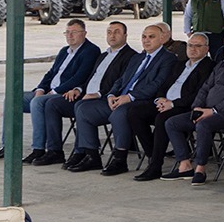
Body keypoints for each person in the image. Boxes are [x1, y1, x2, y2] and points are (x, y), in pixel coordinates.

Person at [70, 23, 180, 173]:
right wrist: (111, 95)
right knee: (83, 108)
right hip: (121, 98)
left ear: (162, 39)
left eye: (151, 37)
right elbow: (121, 80)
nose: (146, 40)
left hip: (141, 101)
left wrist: (130, 97)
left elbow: (157, 84)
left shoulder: (168, 59)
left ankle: (120, 159)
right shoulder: (137, 57)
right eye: (144, 37)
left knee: (120, 113)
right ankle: (92, 156)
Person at [149, 33, 224, 184]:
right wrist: (197, 108)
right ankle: (185, 165)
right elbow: (205, 88)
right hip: (206, 110)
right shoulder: (221, 65)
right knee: (172, 123)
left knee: (203, 124)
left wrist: (213, 111)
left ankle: (200, 169)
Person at [107, 31, 211, 175]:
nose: (193, 49)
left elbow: (198, 94)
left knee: (162, 118)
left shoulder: (209, 67)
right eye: (190, 45)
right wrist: (160, 99)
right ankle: (153, 154)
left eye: (198, 46)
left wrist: (172, 104)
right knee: (135, 113)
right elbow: (164, 85)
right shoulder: (180, 64)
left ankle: (156, 166)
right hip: (165, 103)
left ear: (206, 49)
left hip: (184, 106)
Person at [32, 20, 132, 167]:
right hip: (85, 95)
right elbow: (90, 78)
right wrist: (78, 89)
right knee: (52, 104)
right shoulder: (104, 55)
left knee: (81, 107)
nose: (112, 36)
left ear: (125, 35)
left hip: (104, 99)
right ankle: (55, 151)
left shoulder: (130, 56)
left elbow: (120, 82)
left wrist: (98, 94)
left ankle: (83, 153)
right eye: (109, 32)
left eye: (117, 32)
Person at [20, 21, 100, 165]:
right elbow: (51, 73)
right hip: (48, 91)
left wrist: (53, 92)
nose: (70, 36)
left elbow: (80, 77)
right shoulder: (64, 51)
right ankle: (8, 146)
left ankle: (39, 149)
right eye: (67, 32)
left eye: (74, 32)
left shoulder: (90, 50)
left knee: (39, 102)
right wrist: (40, 89)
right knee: (13, 99)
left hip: (67, 94)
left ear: (84, 34)